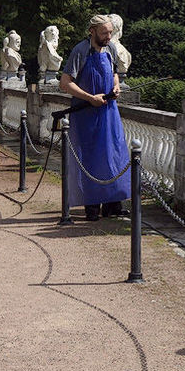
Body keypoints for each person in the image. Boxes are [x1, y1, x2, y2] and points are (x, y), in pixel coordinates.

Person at [59, 15, 131, 220]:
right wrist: (90, 98)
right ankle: (92, 206)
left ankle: (113, 204)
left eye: (110, 32)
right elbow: (65, 83)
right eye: (104, 33)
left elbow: (114, 73)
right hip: (86, 114)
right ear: (92, 31)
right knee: (90, 158)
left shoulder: (111, 49)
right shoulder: (80, 51)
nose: (108, 36)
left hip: (109, 112)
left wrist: (116, 87)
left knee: (113, 155)